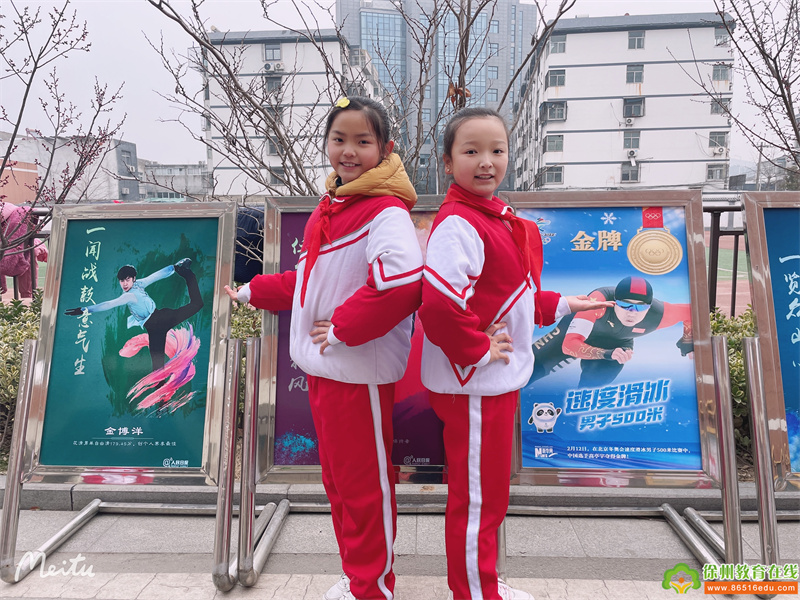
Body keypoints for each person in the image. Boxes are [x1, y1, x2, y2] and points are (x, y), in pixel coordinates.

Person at [224, 96, 423, 600]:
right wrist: (253, 291)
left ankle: (373, 588)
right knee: (341, 484)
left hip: (357, 372)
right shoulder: (338, 202)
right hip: (329, 371)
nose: (348, 150)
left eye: (362, 141)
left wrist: (342, 328)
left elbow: (402, 284)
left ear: (385, 149)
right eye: (339, 139)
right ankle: (360, 579)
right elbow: (311, 281)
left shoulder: (385, 211)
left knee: (363, 488)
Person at [418, 107, 612, 600]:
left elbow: (506, 296)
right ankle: (476, 593)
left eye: (497, 150)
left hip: (487, 383)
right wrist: (478, 348)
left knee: (485, 497)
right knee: (478, 500)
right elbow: (438, 306)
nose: (486, 161)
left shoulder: (491, 218)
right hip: (475, 386)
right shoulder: (460, 223)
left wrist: (563, 304)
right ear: (448, 162)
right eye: (471, 151)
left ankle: (481, 585)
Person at [528, 275, 694, 388]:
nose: (632, 312)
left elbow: (693, 312)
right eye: (625, 305)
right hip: (574, 333)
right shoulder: (598, 303)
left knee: (591, 390)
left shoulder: (660, 314)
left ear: (649, 308)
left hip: (616, 343)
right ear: (614, 303)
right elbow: (568, 346)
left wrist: (688, 340)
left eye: (640, 307)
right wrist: (607, 354)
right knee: (527, 369)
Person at [64, 258, 202, 373]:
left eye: (127, 279)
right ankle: (162, 398)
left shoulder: (131, 293)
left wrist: (84, 310)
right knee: (157, 368)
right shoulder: (135, 287)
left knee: (197, 304)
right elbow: (155, 276)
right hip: (154, 328)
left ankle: (188, 274)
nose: (124, 284)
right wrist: (174, 267)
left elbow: (108, 304)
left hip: (162, 319)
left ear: (133, 279)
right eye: (122, 281)